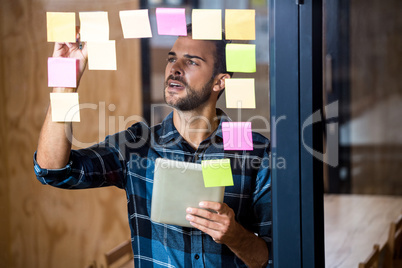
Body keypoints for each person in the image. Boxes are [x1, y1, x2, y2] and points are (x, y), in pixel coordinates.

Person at [34, 24, 271, 267]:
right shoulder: (138, 145)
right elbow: (53, 171)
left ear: (219, 82)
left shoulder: (255, 150)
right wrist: (64, 84)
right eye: (172, 59)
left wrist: (235, 237)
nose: (174, 69)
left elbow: (272, 257)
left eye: (191, 62)